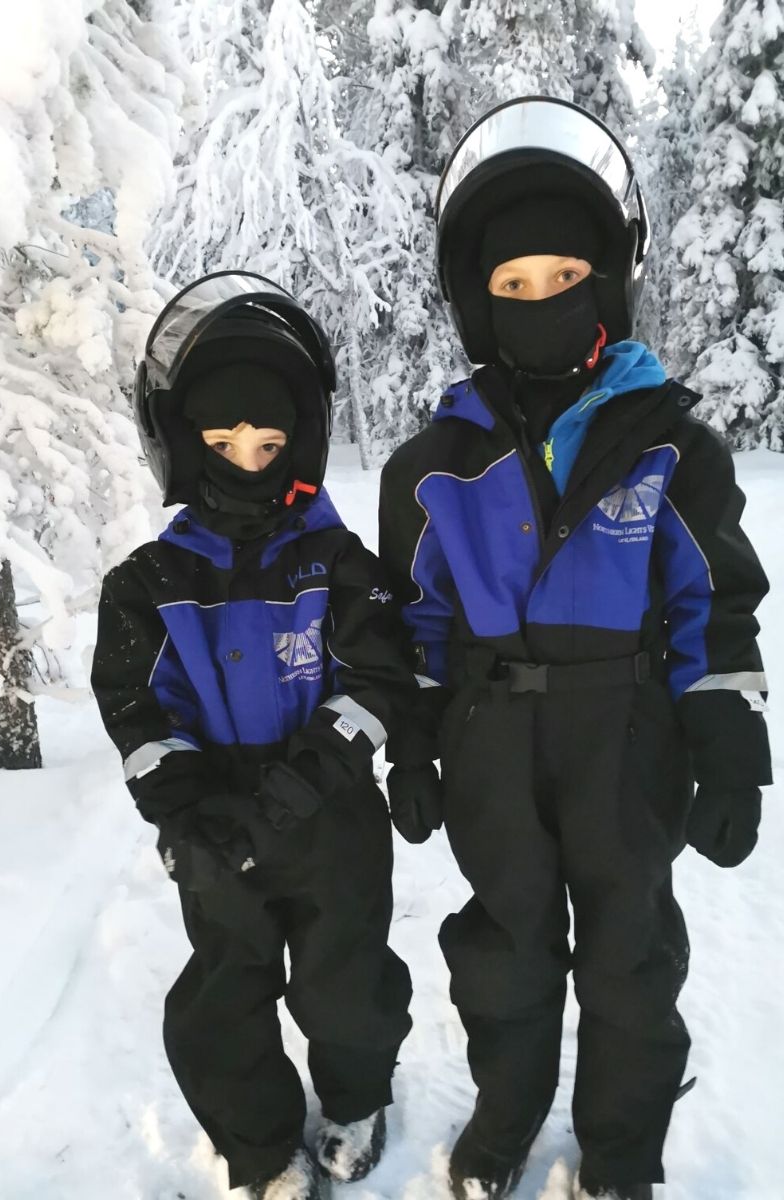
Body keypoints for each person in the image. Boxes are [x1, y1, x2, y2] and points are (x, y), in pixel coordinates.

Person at [379, 98, 771, 1200]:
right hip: (491, 735)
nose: (540, 301)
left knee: (628, 955)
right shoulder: (431, 465)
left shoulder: (668, 444)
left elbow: (714, 600)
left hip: (625, 732)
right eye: (511, 286)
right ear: (475, 301)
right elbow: (414, 622)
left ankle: (619, 1149)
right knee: (503, 951)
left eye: (561, 276)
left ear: (604, 278)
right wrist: (413, 741)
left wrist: (729, 729)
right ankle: (504, 1118)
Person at [91, 272, 413, 1200]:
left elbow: (376, 680)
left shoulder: (338, 564)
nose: (246, 458)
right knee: (223, 995)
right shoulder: (147, 582)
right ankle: (261, 1142)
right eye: (222, 440)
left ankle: (354, 1097)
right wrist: (186, 809)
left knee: (345, 982)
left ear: (300, 443)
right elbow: (135, 707)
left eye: (269, 441)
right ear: (183, 444)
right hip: (214, 824)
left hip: (330, 815)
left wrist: (302, 784)